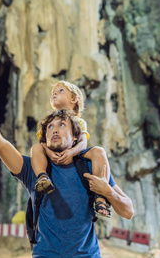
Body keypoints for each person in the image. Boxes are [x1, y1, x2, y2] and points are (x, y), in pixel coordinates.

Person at [0, 61, 134, 257]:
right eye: (50, 127)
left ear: (75, 136)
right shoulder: (34, 169)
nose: (54, 128)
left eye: (62, 124)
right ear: (44, 138)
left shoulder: (90, 167)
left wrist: (108, 193)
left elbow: (128, 211)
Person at [31, 80, 111, 217]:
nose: (54, 93)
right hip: (53, 151)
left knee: (99, 151)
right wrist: (49, 152)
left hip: (75, 153)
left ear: (74, 99)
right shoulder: (49, 121)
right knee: (36, 148)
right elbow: (43, 141)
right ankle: (42, 177)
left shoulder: (79, 122)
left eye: (60, 91)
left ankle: (100, 196)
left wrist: (71, 152)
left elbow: (83, 142)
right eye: (53, 93)